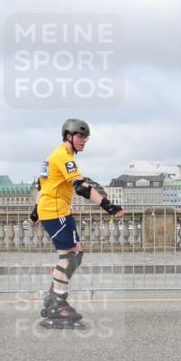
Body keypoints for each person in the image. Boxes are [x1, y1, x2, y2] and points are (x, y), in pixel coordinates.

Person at [30, 119, 123, 328]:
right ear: (69, 136)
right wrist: (109, 206)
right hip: (56, 212)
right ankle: (58, 302)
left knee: (76, 254)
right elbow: (81, 187)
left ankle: (54, 294)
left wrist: (35, 213)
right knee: (69, 256)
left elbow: (41, 186)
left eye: (86, 137)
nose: (84, 141)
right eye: (81, 136)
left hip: (53, 210)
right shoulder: (64, 156)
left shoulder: (53, 156)